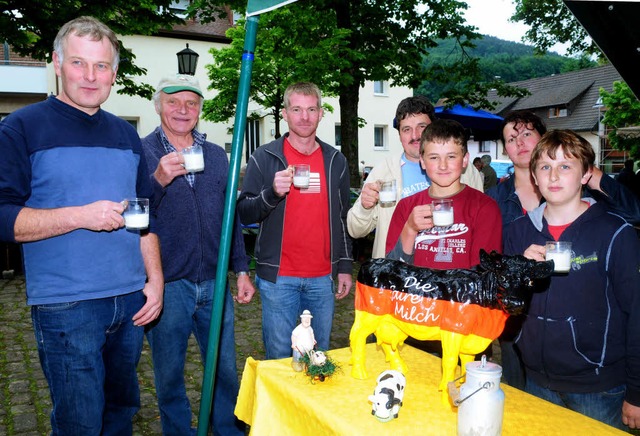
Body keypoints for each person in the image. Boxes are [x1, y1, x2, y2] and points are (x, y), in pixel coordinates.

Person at [0, 16, 163, 434]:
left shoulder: (126, 135)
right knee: (80, 424)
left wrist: (156, 280)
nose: (91, 76)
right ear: (56, 63)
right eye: (78, 63)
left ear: (114, 73)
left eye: (102, 66)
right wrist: (81, 216)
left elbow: (144, 215)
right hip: (66, 305)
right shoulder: (20, 127)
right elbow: (3, 216)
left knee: (121, 415)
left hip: (130, 302)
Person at [487, 110, 640, 390]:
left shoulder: (610, 228)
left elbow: (634, 309)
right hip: (532, 361)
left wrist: (636, 389)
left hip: (595, 376)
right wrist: (518, 270)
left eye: (526, 134)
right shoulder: (503, 208)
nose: (554, 175)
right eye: (511, 138)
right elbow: (497, 284)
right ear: (535, 174)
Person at [141, 74, 254, 436]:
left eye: (191, 103)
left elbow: (228, 216)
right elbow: (137, 213)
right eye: (173, 102)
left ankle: (227, 430)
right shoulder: (142, 151)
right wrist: (157, 180)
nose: (182, 110)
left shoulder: (217, 155)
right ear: (159, 105)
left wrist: (240, 269)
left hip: (216, 280)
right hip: (169, 283)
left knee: (223, 369)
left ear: (200, 110)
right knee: (169, 374)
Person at [237, 82, 353, 360]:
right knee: (279, 359)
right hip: (279, 279)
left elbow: (343, 217)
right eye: (297, 109)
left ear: (321, 113)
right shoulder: (264, 157)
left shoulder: (335, 160)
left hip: (322, 278)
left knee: (317, 359)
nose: (304, 117)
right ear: (285, 113)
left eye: (311, 109)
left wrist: (345, 266)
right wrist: (272, 194)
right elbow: (243, 213)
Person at [347, 96, 484, 259]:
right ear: (399, 135)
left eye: (422, 126)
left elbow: (480, 224)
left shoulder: (465, 170)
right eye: (406, 129)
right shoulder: (383, 172)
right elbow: (355, 230)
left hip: (449, 270)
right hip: (397, 272)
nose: (415, 135)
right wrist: (365, 207)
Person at [385, 119, 502, 268]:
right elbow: (390, 272)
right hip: (414, 291)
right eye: (434, 157)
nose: (443, 165)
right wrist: (410, 229)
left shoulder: (485, 208)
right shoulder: (406, 207)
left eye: (451, 156)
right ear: (422, 161)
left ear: (465, 159)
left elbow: (485, 276)